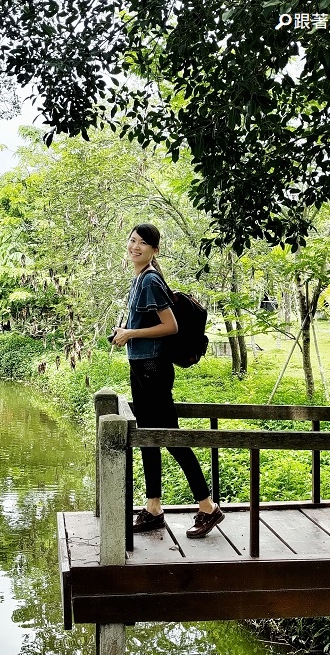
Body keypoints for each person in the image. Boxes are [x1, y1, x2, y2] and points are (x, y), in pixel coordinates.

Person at [110, 223, 224, 539]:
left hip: (154, 370)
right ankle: (154, 509)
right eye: (132, 241)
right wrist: (126, 332)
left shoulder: (149, 280)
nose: (135, 246)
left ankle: (207, 507)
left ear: (154, 250)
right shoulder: (139, 279)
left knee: (170, 437)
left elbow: (170, 326)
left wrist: (131, 333)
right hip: (141, 367)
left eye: (143, 243)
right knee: (148, 437)